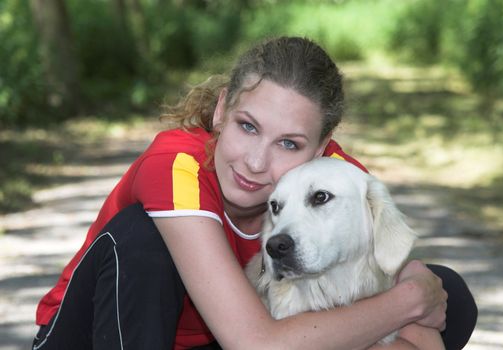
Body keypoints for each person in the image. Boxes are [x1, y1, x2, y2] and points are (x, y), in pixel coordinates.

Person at [33, 36, 477, 350]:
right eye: (248, 127)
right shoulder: (176, 167)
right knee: (142, 237)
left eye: (289, 143)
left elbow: (395, 258)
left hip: (223, 341)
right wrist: (406, 301)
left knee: (448, 292)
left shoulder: (329, 175)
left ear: (321, 147)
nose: (256, 162)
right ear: (223, 108)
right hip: (90, 338)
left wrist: (415, 285)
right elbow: (255, 343)